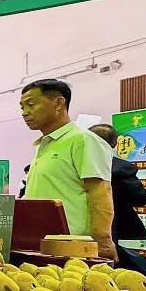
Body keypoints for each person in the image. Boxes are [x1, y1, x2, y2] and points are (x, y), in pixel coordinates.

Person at [20, 79, 117, 260]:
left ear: (58, 103)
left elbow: (100, 192)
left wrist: (102, 242)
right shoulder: (44, 146)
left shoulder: (83, 140)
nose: (25, 112)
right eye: (22, 107)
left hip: (74, 248)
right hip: (44, 246)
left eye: (31, 105)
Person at [88, 123, 146, 243]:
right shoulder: (120, 168)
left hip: (78, 231)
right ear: (115, 144)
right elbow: (141, 199)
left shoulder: (71, 165)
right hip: (117, 231)